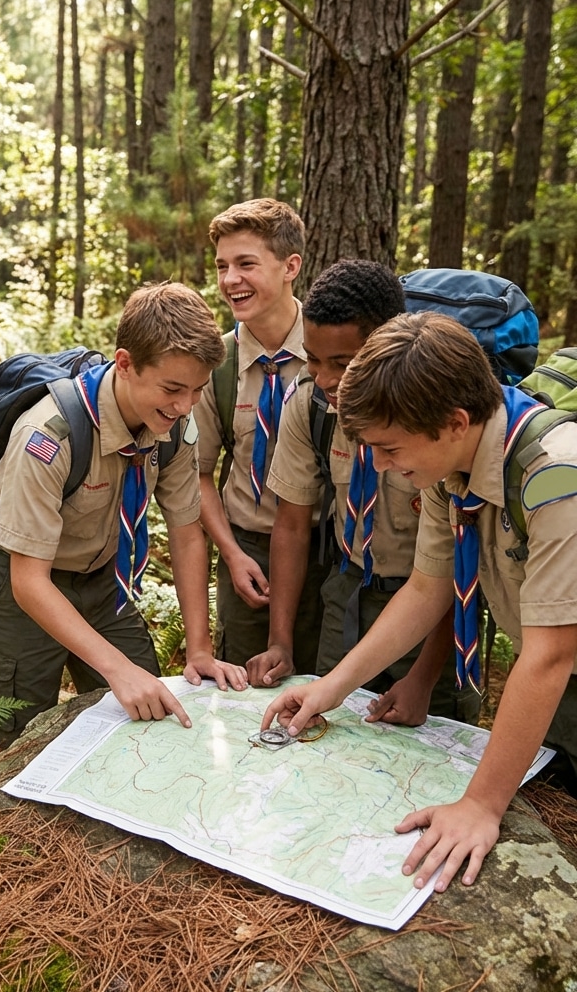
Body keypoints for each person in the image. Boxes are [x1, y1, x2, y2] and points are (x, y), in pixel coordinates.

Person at [263, 311, 577, 892]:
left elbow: (551, 655)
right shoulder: (448, 466)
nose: (381, 465)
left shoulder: (557, 475)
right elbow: (427, 588)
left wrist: (480, 805)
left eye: (388, 448)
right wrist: (332, 687)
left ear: (454, 422)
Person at [0, 281, 248, 747]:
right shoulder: (48, 437)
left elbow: (186, 533)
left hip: (103, 579)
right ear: (124, 364)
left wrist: (199, 649)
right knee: (16, 732)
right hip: (24, 587)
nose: (185, 405)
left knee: (150, 713)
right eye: (172, 388)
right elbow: (29, 581)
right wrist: (117, 670)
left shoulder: (174, 422)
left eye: (198, 390)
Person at [260, 260, 477, 725]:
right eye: (312, 359)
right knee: (329, 727)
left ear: (385, 348)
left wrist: (423, 678)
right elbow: (291, 524)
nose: (324, 378)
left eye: (342, 363)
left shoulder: (432, 425)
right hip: (350, 591)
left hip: (433, 613)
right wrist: (281, 641)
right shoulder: (310, 405)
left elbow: (452, 570)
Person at [194, 198, 327, 671]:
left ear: (291, 266)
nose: (231, 279)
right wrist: (231, 554)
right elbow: (199, 474)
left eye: (246, 264)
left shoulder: (331, 354)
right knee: (246, 687)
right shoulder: (217, 365)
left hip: (326, 552)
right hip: (247, 550)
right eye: (222, 266)